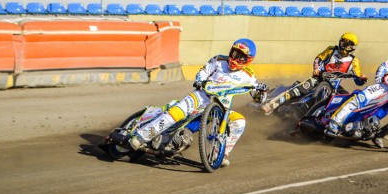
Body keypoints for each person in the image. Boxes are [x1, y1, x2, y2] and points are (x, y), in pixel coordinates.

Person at [129, 38, 268, 167]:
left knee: (239, 121)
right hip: (200, 97)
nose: (235, 58)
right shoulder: (218, 60)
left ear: (248, 60)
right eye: (234, 53)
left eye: (240, 57)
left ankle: (219, 154)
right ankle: (141, 136)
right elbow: (203, 72)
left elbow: (258, 98)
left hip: (220, 109)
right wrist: (200, 80)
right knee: (175, 113)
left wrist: (262, 92)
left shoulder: (248, 76)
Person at [258, 32, 368, 114]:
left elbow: (357, 79)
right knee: (298, 90)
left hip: (335, 84)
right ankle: (270, 105)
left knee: (346, 100)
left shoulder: (354, 61)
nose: (344, 46)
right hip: (319, 78)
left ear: (352, 47)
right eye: (343, 43)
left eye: (348, 44)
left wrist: (362, 79)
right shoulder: (331, 50)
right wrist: (316, 69)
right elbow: (318, 59)